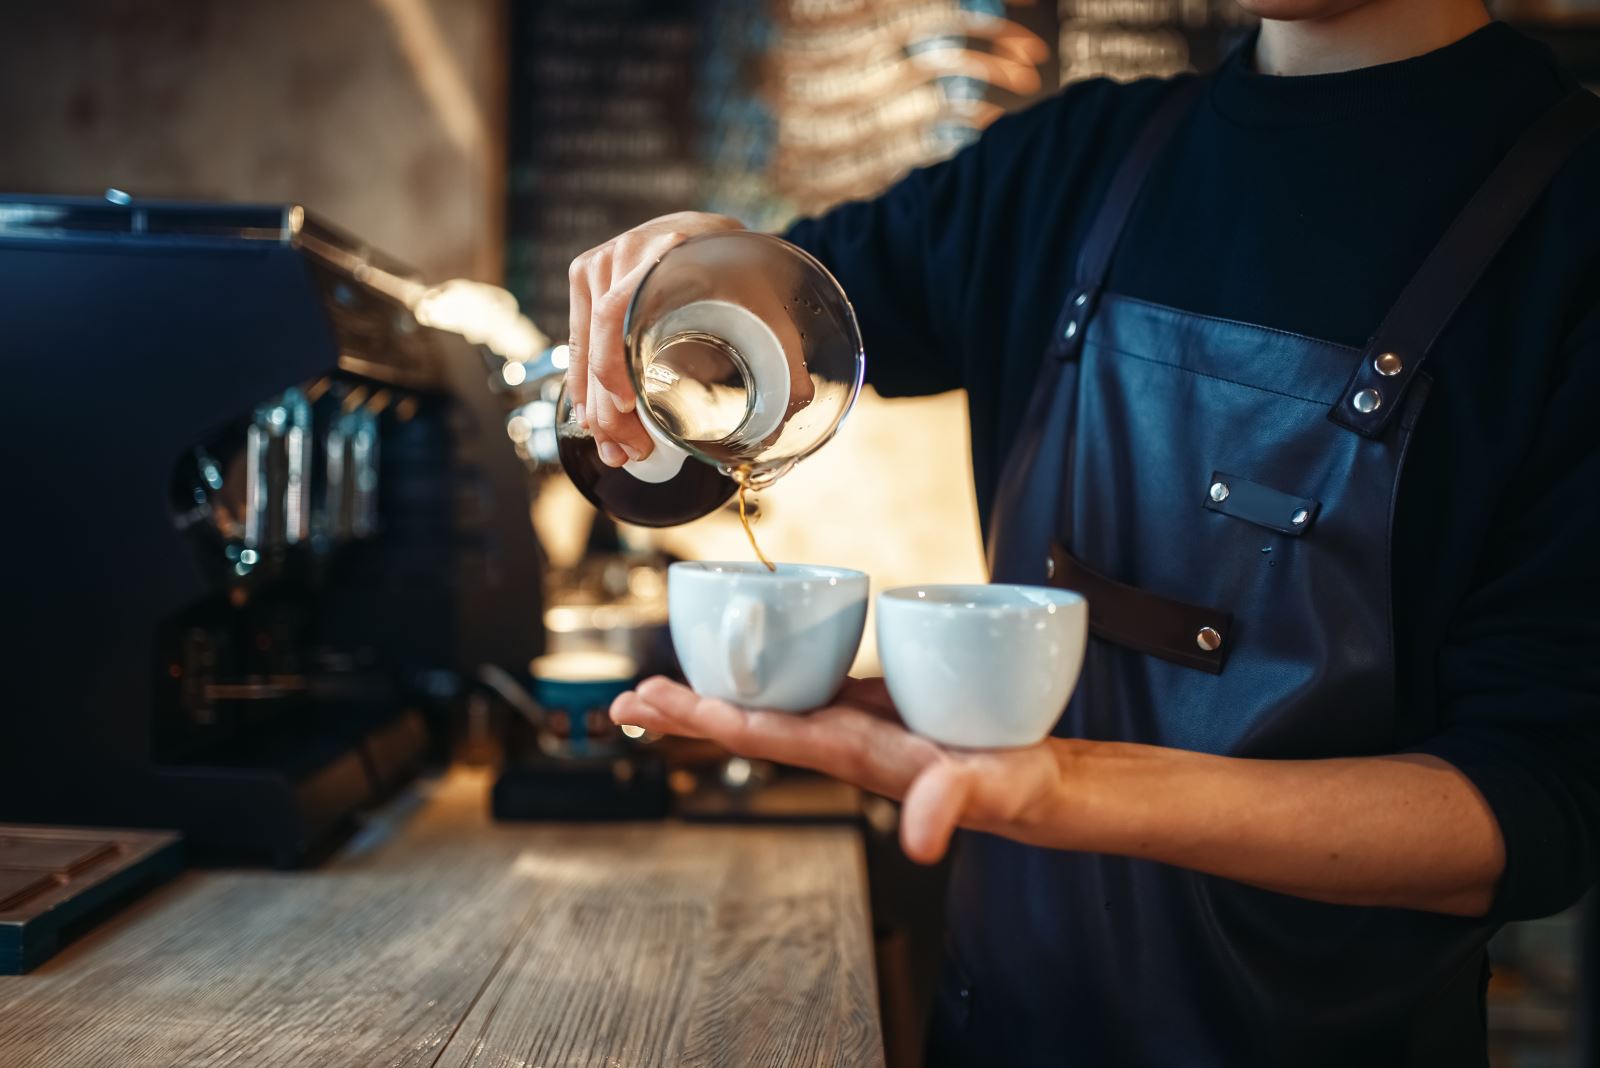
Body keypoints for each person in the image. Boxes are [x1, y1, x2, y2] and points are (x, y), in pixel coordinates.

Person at [566, 0, 1600, 1062]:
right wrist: (671, 307)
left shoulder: (1572, 222)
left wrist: (1076, 791)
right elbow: (770, 330)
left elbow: (1532, 806)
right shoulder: (1067, 161)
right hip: (994, 1030)